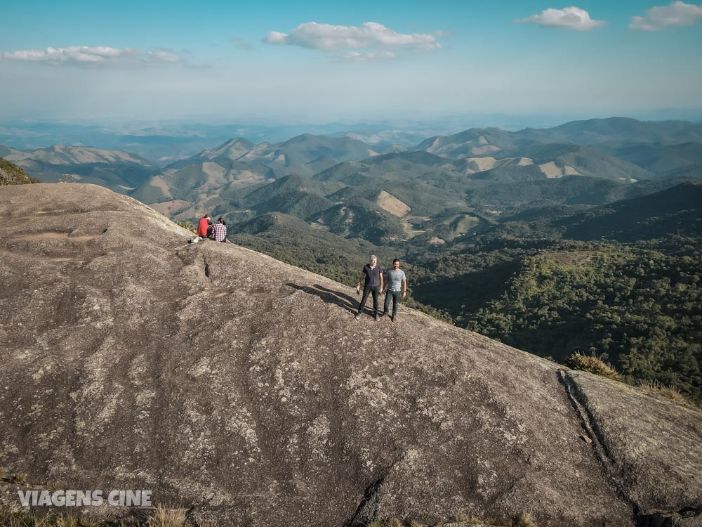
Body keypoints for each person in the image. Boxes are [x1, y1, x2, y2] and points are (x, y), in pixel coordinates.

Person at [355, 255, 384, 321]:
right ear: (370, 261)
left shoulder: (379, 267)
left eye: (375, 261)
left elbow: (381, 278)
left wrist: (381, 287)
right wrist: (358, 284)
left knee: (375, 300)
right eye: (373, 261)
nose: (374, 262)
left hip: (376, 287)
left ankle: (376, 314)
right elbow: (362, 276)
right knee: (364, 299)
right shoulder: (366, 267)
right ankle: (359, 312)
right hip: (367, 286)